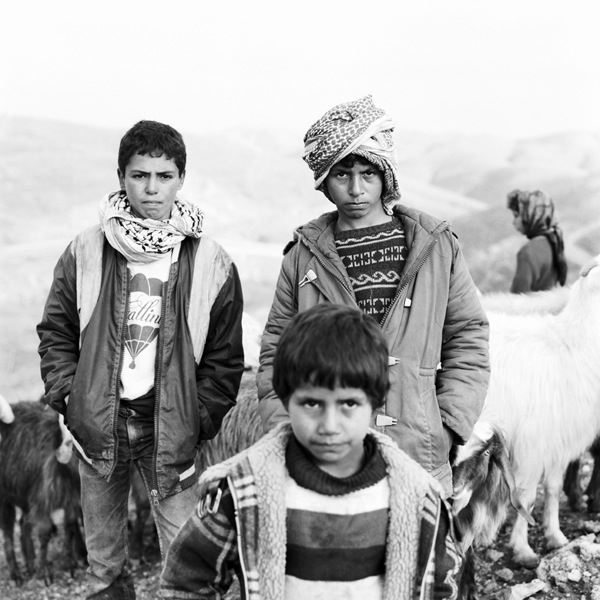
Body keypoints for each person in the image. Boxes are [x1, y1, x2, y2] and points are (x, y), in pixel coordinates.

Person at [37, 120, 245, 599]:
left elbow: (224, 358)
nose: (152, 188)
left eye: (164, 176)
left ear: (181, 179)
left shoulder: (211, 260)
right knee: (104, 565)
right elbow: (57, 332)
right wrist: (71, 398)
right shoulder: (87, 249)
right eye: (139, 175)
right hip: (99, 426)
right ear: (121, 176)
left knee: (186, 559)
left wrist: (200, 417)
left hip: (171, 427)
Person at [257, 95, 489, 497]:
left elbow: (468, 336)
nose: (356, 189)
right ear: (325, 181)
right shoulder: (303, 257)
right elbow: (276, 348)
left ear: (386, 175)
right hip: (327, 454)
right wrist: (288, 427)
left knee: (420, 556)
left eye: (368, 173)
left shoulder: (433, 247)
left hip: (420, 452)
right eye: (342, 175)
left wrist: (449, 424)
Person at [160, 303, 463, 599]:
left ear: (375, 402)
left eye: (348, 404)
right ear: (285, 399)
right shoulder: (243, 491)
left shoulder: (416, 497)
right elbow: (187, 579)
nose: (329, 425)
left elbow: (440, 584)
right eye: (312, 403)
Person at [507, 189, 568, 293]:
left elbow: (517, 298)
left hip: (531, 309)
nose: (513, 222)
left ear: (531, 215)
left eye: (516, 215)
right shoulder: (553, 241)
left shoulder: (527, 252)